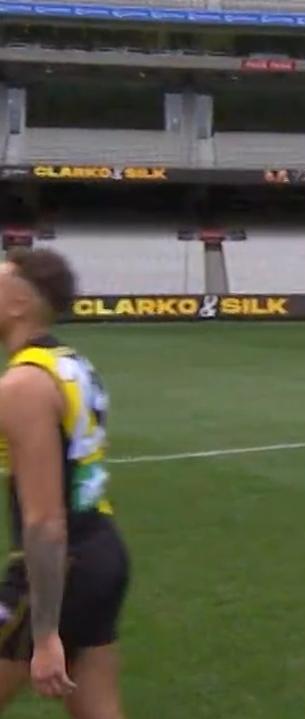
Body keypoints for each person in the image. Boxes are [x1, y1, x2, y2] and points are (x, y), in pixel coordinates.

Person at [0, 248, 129, 719]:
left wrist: (45, 633)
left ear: (19, 302)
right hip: (101, 553)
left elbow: (44, 521)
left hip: (59, 567)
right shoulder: (69, 363)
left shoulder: (23, 385)